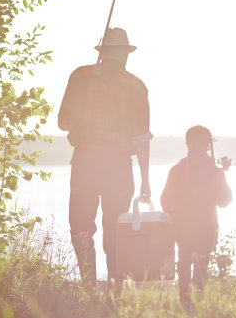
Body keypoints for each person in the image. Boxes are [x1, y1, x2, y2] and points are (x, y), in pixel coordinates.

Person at [58, 27, 152, 289]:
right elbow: (142, 138)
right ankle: (115, 291)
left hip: (86, 162)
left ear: (102, 52)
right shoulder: (136, 86)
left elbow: (63, 122)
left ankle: (88, 286)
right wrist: (145, 181)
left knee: (81, 226)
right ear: (125, 54)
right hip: (119, 167)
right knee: (116, 230)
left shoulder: (80, 76)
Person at [160, 125, 232, 304]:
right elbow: (225, 201)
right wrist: (222, 173)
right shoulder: (215, 171)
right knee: (202, 264)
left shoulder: (175, 170)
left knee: (184, 261)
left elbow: (164, 201)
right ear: (209, 146)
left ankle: (185, 299)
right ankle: (199, 300)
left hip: (182, 228)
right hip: (206, 228)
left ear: (187, 145)